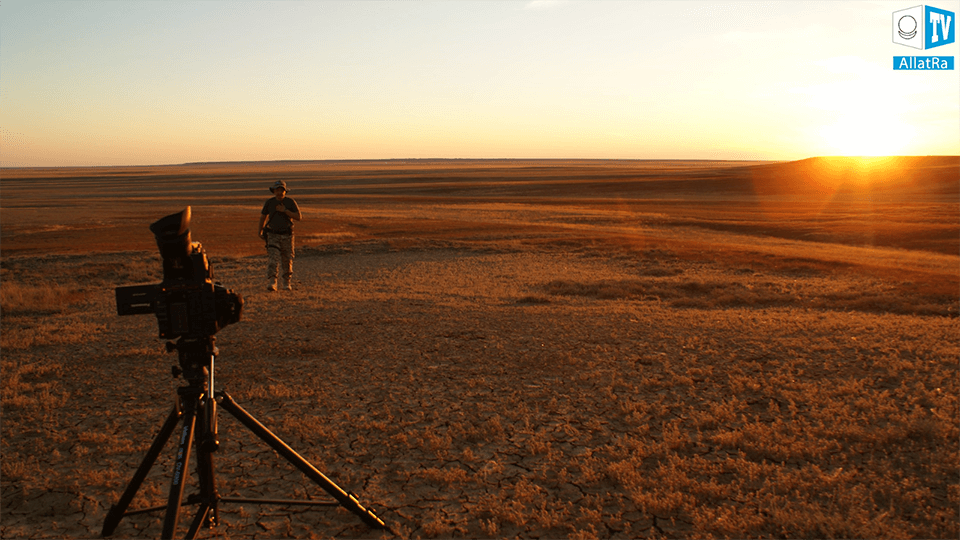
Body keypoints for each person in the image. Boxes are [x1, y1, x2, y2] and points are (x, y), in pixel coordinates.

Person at [258, 180, 302, 291]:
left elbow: (298, 217)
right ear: (274, 191)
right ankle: (272, 281)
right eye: (277, 190)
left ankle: (287, 282)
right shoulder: (269, 203)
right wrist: (260, 231)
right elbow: (263, 217)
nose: (279, 192)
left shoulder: (290, 202)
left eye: (281, 190)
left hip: (287, 235)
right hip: (273, 234)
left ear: (285, 191)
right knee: (273, 258)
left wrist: (285, 211)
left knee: (287, 259)